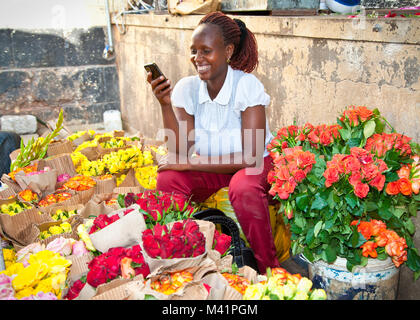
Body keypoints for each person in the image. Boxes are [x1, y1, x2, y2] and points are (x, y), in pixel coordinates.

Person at [146, 11, 279, 273]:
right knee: (169, 177)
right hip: (215, 167)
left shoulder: (246, 86)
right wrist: (164, 105)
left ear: (228, 50)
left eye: (206, 50)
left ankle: (269, 270)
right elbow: (180, 151)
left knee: (243, 187)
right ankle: (183, 259)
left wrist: (189, 164)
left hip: (254, 163)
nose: (198, 59)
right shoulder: (188, 88)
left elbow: (250, 158)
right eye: (194, 51)